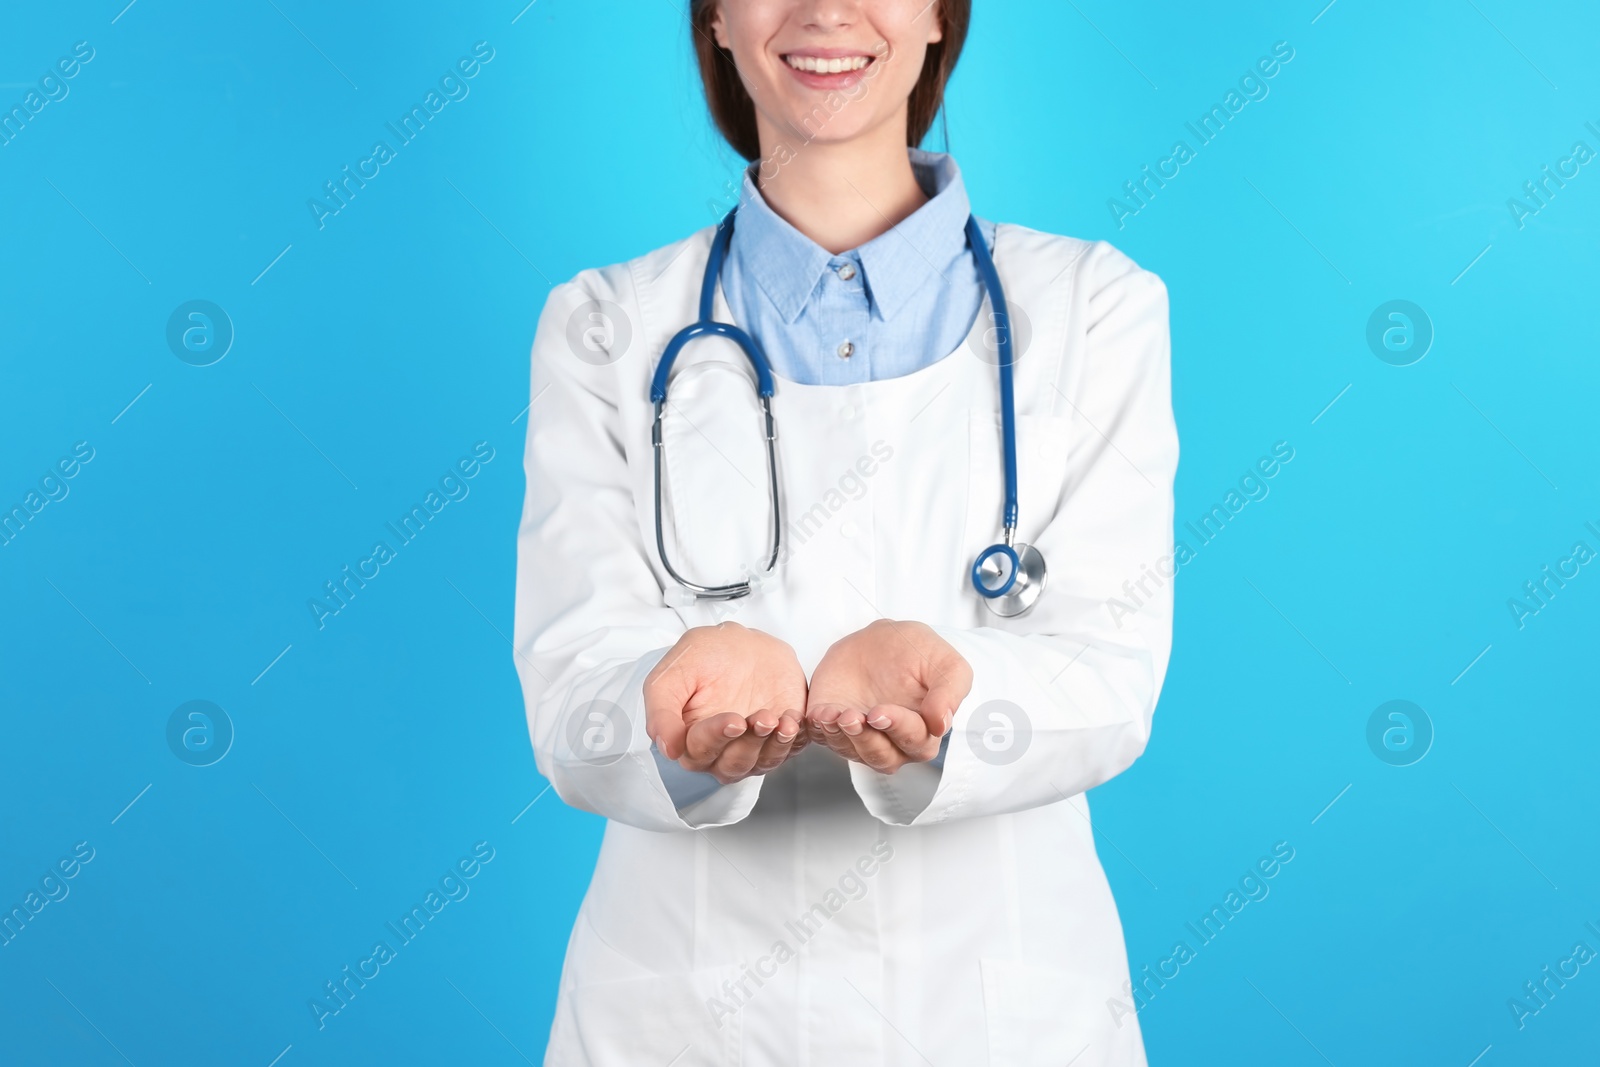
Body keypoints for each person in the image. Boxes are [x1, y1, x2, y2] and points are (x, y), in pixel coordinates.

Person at [512, 1, 1178, 1062]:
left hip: (991, 1009)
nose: (826, 10)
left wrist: (950, 685)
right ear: (717, 18)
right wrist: (680, 706)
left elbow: (1109, 672)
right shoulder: (603, 327)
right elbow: (571, 695)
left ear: (937, 16)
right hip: (688, 1014)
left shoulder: (1093, 308)